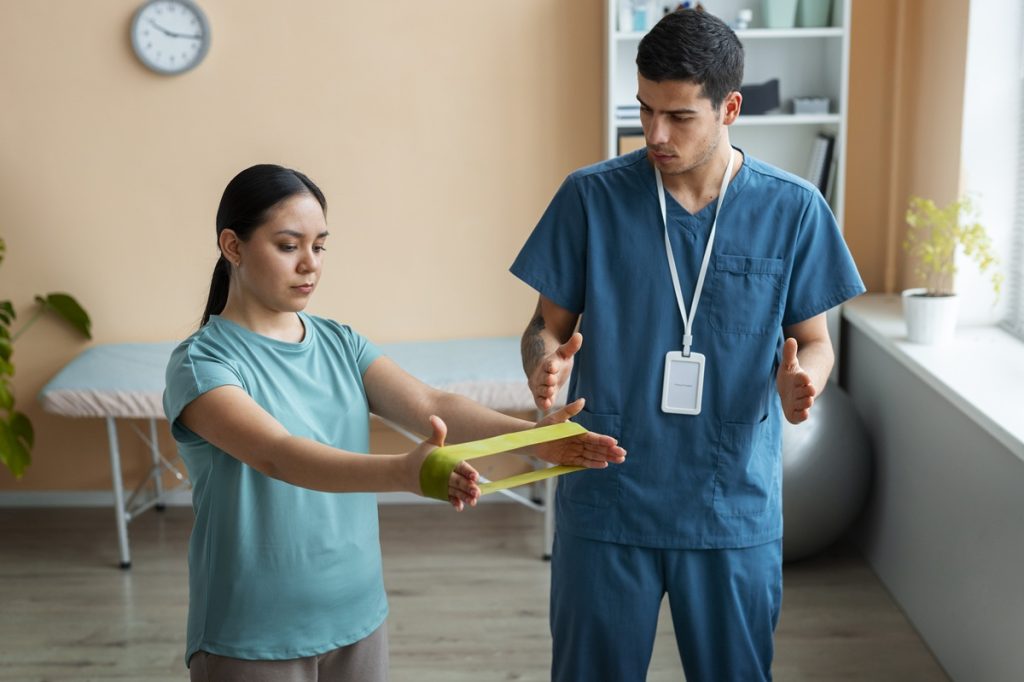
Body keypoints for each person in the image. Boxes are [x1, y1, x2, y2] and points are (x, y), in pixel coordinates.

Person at [162, 163, 626, 682]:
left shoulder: (339, 342)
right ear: (233, 246)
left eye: (320, 246)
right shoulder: (202, 365)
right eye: (289, 246)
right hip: (253, 629)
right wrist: (404, 473)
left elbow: (432, 402)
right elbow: (278, 454)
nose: (309, 265)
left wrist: (534, 440)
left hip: (358, 615)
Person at [510, 9, 865, 682]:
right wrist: (543, 365)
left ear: (730, 107)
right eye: (644, 110)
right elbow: (543, 328)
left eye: (679, 117)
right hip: (607, 499)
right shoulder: (590, 198)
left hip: (728, 505)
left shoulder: (792, 210)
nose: (655, 134)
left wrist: (805, 380)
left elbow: (813, 342)